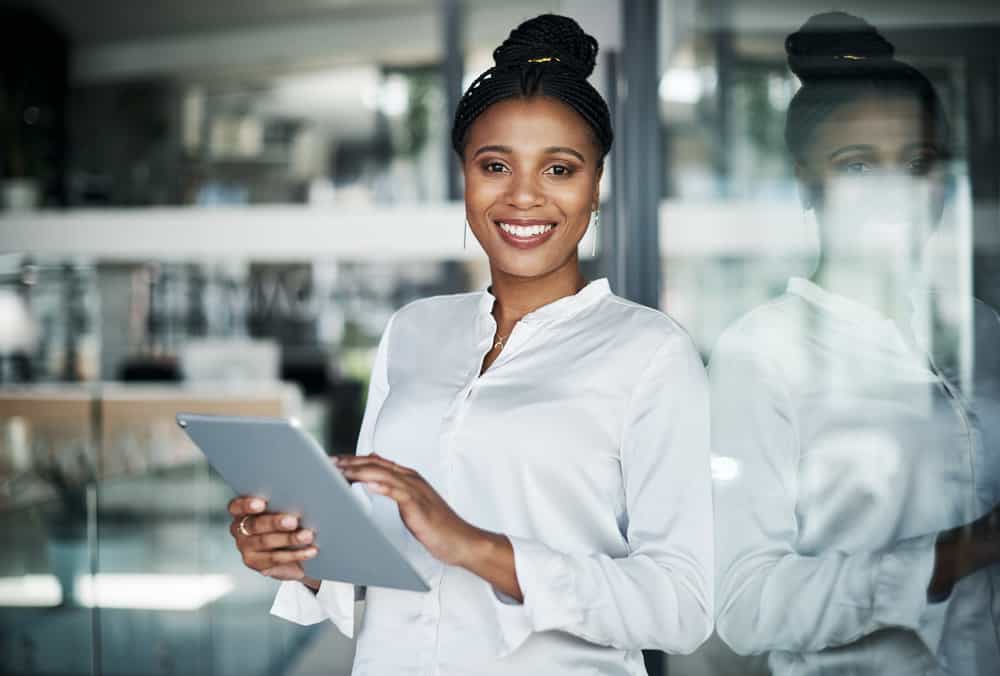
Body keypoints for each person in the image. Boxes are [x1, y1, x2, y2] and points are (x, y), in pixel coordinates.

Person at [226, 14, 713, 676]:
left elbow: (681, 605)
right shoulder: (414, 331)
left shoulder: (650, 352)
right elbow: (384, 552)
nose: (522, 196)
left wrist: (477, 548)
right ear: (464, 176)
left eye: (560, 169)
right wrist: (302, 557)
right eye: (494, 165)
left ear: (597, 186)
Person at [711, 11, 1000, 675]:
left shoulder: (981, 328)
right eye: (859, 167)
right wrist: (957, 554)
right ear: (805, 182)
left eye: (917, 163)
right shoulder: (762, 353)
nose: (895, 195)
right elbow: (744, 603)